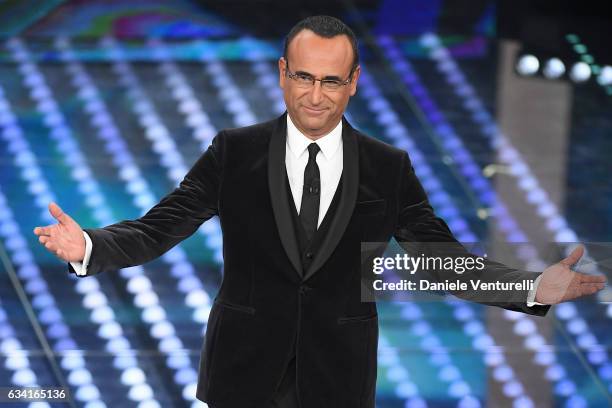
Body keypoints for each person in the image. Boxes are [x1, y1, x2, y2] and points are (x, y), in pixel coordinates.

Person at [33, 15, 605, 408]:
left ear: (353, 84)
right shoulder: (237, 150)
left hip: (338, 378)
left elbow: (439, 259)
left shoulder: (387, 166)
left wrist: (530, 289)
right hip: (242, 375)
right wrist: (89, 246)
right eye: (304, 77)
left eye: (332, 81)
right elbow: (163, 226)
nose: (315, 95)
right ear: (283, 73)